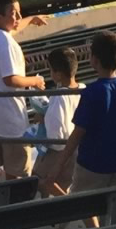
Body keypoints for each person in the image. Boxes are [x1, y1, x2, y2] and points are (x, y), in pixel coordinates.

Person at [62, 33, 116, 226]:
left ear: (94, 60)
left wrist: (59, 163)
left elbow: (78, 133)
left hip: (91, 164)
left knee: (82, 203)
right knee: (111, 206)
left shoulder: (92, 92)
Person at [0, 0, 48, 184]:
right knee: (16, 170)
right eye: (13, 13)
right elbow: (11, 79)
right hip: (8, 117)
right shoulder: (6, 44)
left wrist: (31, 19)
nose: (17, 18)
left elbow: (12, 28)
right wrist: (35, 81)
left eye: (19, 12)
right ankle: (12, 205)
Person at [32, 46, 79, 197]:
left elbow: (56, 129)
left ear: (57, 74)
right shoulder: (82, 89)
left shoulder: (60, 97)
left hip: (57, 150)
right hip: (75, 147)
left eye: (51, 70)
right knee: (61, 183)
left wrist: (42, 118)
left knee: (40, 181)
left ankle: (67, 205)